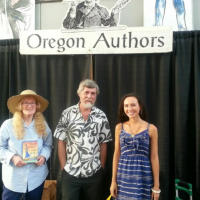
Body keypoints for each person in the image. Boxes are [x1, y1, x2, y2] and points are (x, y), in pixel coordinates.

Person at [54, 79, 112, 200]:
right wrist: (63, 167)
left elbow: (104, 143)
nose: (89, 96)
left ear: (96, 95)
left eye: (93, 93)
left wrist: (101, 166)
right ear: (79, 93)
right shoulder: (67, 113)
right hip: (71, 173)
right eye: (86, 92)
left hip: (94, 173)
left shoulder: (101, 116)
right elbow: (61, 141)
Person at [0, 89, 52, 200]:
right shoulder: (8, 125)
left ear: (36, 106)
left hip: (36, 178)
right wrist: (12, 157)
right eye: (25, 103)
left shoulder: (43, 125)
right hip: (13, 179)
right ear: (20, 105)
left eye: (32, 103)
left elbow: (48, 146)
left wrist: (43, 156)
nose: (29, 106)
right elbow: (1, 147)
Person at [110, 93, 160, 200]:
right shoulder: (119, 128)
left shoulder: (151, 129)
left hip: (143, 176)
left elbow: (154, 157)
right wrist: (113, 181)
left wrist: (156, 186)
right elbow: (116, 154)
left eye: (133, 105)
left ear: (139, 107)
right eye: (126, 106)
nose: (129, 108)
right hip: (123, 176)